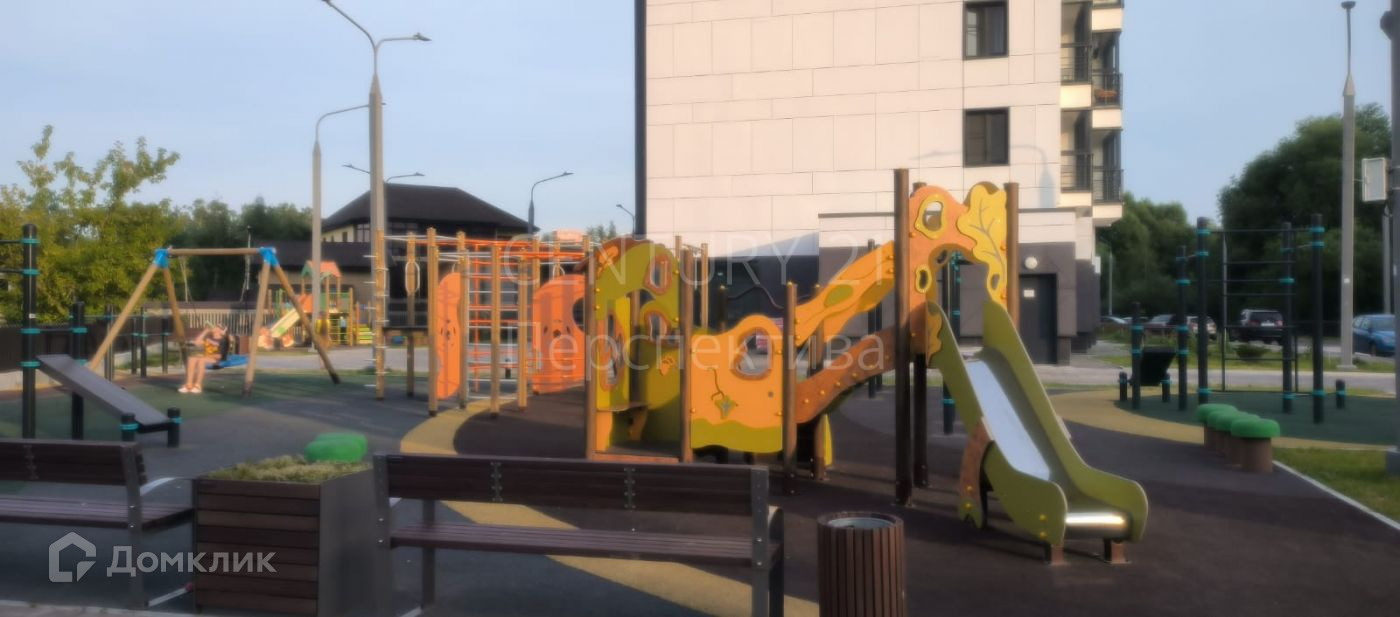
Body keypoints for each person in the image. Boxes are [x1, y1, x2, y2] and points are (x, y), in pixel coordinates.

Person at [181, 324, 227, 394]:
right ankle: (189, 384)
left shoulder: (223, 340)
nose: (214, 326)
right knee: (191, 358)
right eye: (215, 325)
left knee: (201, 360)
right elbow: (196, 343)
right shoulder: (208, 338)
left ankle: (198, 385)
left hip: (216, 359)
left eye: (217, 326)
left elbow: (219, 356)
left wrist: (205, 356)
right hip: (206, 357)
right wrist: (205, 331)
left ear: (221, 330)